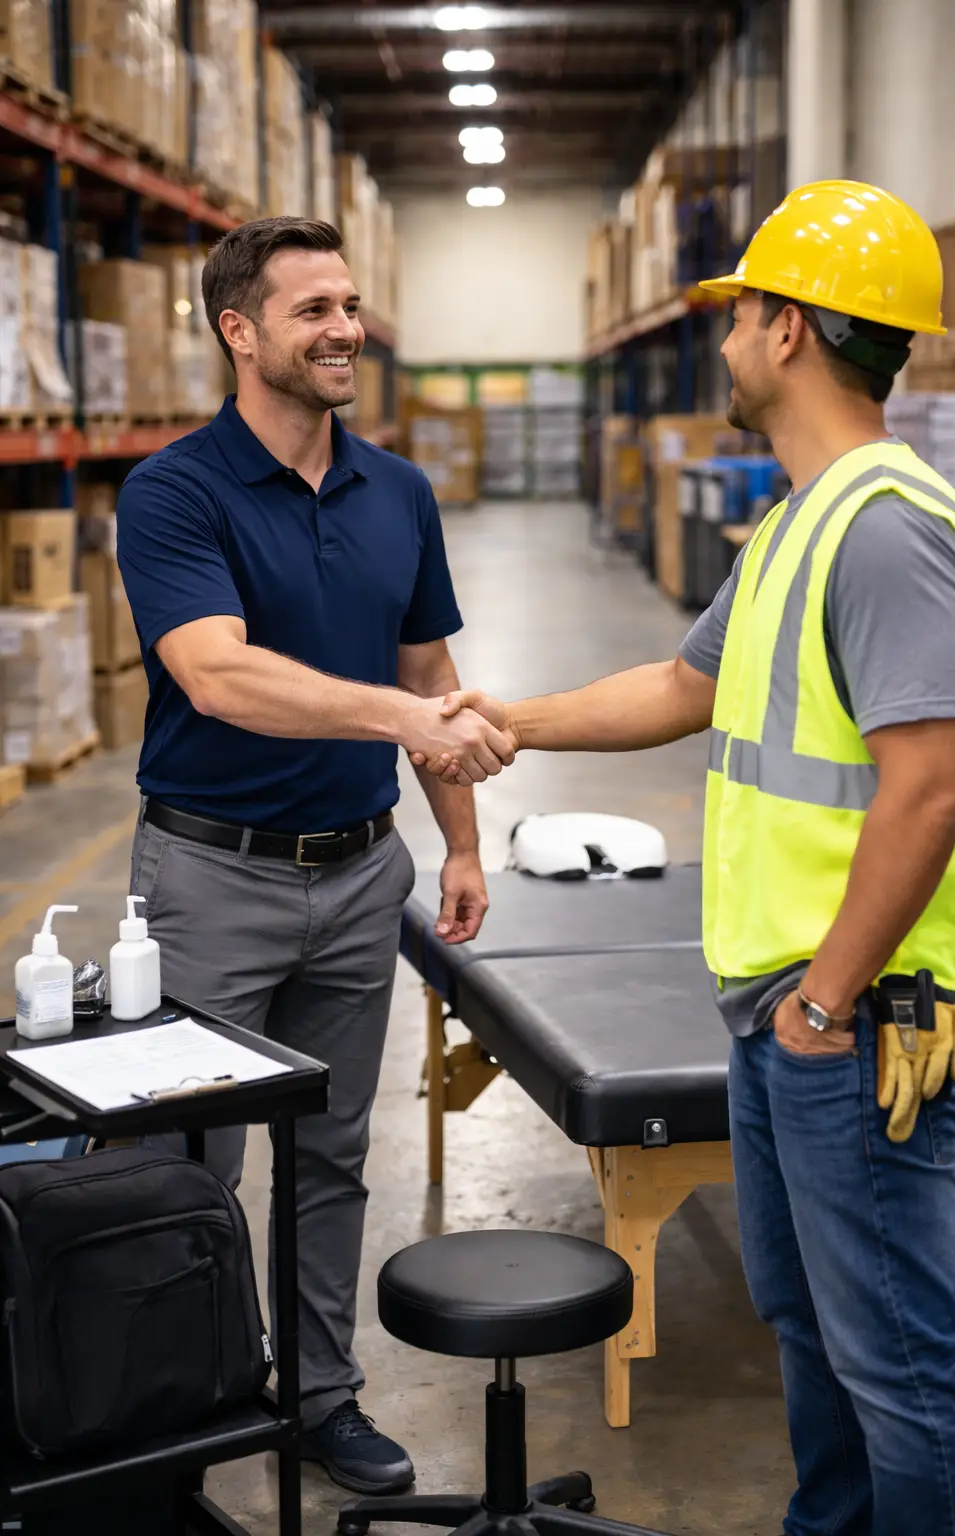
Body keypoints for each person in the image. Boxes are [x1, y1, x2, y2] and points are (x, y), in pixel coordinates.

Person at [417, 181, 955, 1536]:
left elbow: (926, 792)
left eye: (742, 311)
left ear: (794, 330)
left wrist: (822, 1007)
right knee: (808, 1328)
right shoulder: (805, 519)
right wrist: (493, 721)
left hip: (861, 1016)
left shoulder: (889, 530)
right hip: (784, 1001)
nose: (728, 336)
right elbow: (682, 687)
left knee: (898, 1360)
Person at [116, 216, 514, 1495]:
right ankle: (166, 1419)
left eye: (349, 306)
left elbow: (428, 672)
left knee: (333, 1152)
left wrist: (457, 840)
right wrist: (403, 721)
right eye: (312, 310)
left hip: (358, 878)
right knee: (181, 1170)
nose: (345, 329)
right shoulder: (174, 491)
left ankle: (320, 1398)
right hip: (208, 884)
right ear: (239, 331)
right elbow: (216, 673)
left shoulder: (395, 490)